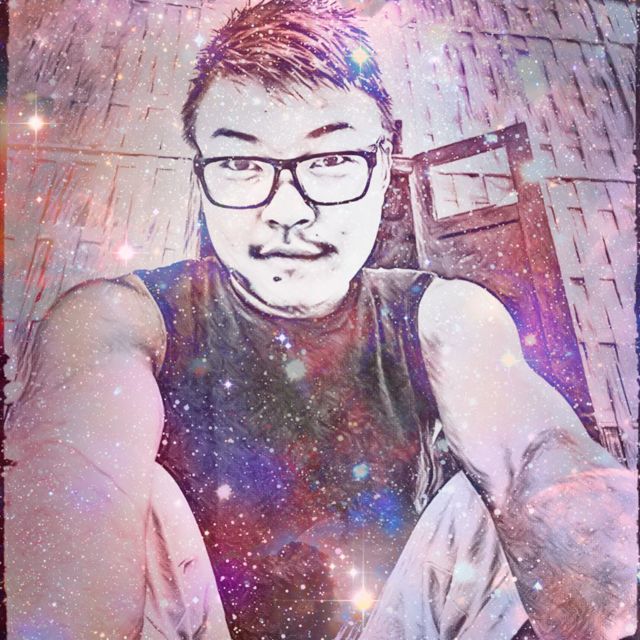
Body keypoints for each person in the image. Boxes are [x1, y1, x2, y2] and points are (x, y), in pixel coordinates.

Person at [5, 1, 636, 639]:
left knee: (499, 508)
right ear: (201, 173)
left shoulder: (443, 314)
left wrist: (592, 544)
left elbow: (532, 449)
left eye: (331, 160)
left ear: (384, 166)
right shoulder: (118, 319)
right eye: (241, 163)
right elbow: (69, 491)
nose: (287, 211)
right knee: (135, 502)